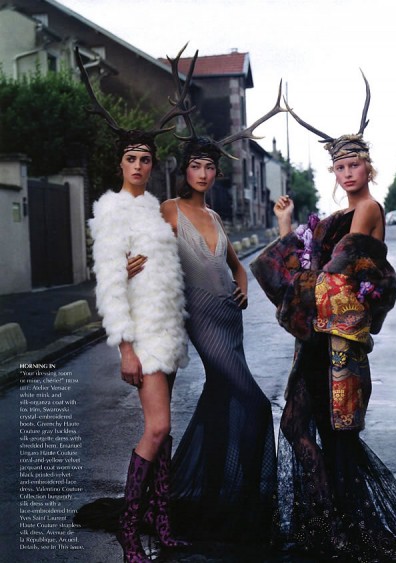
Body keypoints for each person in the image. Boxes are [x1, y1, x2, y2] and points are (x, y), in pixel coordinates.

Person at [249, 75, 396, 561]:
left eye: (353, 164)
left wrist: (296, 248)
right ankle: (330, 520)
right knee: (298, 426)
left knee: (335, 435)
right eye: (339, 166)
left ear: (368, 167)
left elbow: (331, 276)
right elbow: (317, 271)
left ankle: (342, 529)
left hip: (338, 343)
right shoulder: (341, 213)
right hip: (320, 339)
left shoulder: (368, 208)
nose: (347, 172)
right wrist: (291, 232)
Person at [77, 47, 195, 562]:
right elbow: (109, 285)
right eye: (132, 159)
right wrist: (125, 347)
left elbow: (167, 274)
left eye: (146, 159)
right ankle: (131, 532)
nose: (140, 165)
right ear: (120, 164)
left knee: (164, 433)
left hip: (168, 332)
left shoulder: (153, 207)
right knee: (158, 427)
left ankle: (161, 524)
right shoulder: (112, 212)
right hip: (142, 338)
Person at [137, 135, 279, 542]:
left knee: (220, 408)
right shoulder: (169, 210)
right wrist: (130, 265)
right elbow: (147, 255)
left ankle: (219, 498)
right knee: (254, 404)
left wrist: (244, 288)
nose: (202, 174)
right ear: (185, 170)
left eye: (210, 167)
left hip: (230, 319)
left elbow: (236, 266)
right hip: (199, 319)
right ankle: (250, 503)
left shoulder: (215, 217)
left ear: (216, 173)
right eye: (196, 166)